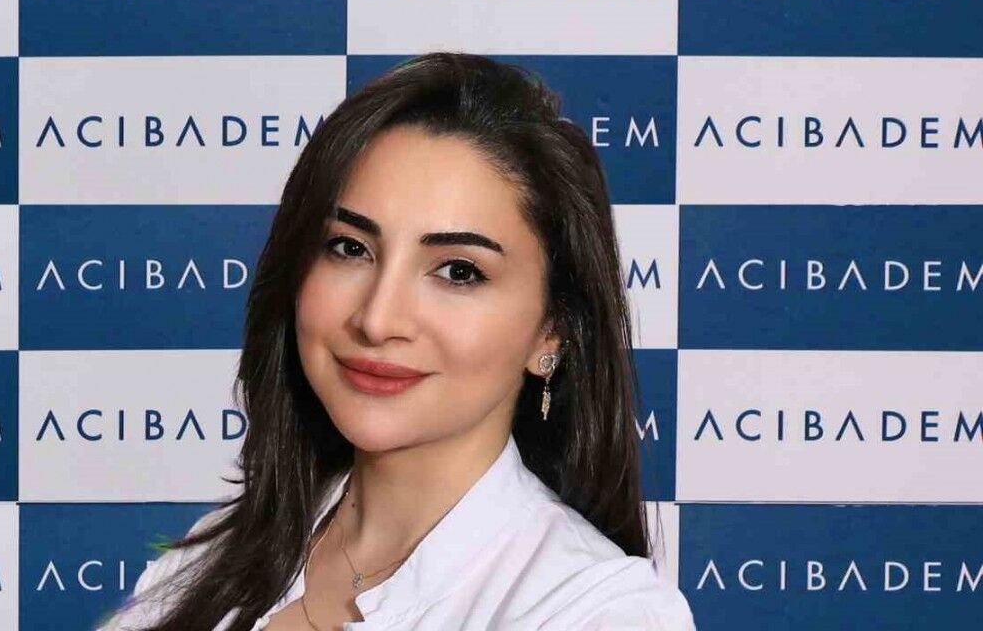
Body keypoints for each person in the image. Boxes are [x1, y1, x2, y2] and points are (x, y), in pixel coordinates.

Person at [97, 52, 696, 630]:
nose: (378, 319)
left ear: (552, 331)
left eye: (459, 271)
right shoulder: (207, 559)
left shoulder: (597, 613)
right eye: (349, 248)